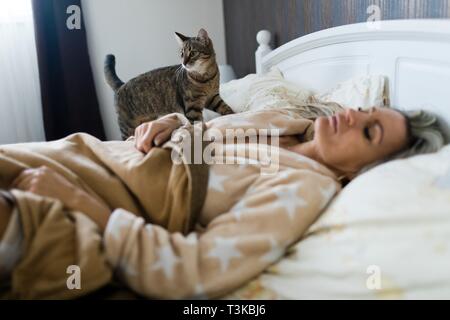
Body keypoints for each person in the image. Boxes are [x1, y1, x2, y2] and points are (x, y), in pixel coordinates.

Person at [0, 103, 445, 299]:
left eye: (369, 132)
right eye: (365, 109)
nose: (352, 116)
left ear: (363, 173)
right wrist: (171, 122)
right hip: (91, 151)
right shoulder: (287, 122)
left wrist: (83, 204)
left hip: (108, 190)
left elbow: (196, 272)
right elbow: (210, 127)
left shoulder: (307, 187)